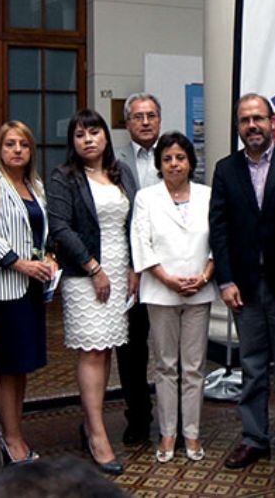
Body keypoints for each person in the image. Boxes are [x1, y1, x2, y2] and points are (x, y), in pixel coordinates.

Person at [209, 93, 275, 477]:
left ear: (273, 122)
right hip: (245, 288)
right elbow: (218, 230)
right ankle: (253, 438)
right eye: (244, 120)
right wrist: (225, 280)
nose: (252, 126)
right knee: (252, 368)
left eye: (258, 118)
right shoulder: (225, 169)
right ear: (237, 127)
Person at [48, 109, 138, 476]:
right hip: (86, 275)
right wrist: (93, 268)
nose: (88, 139)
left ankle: (91, 422)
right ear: (72, 141)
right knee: (92, 350)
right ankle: (98, 435)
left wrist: (132, 267)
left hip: (120, 270)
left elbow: (133, 222)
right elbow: (60, 228)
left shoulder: (122, 173)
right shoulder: (64, 177)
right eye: (80, 134)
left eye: (94, 132)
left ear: (105, 136)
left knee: (107, 352)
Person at [0, 120, 55, 467]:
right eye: (10, 144)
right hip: (5, 288)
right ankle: (11, 439)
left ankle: (13, 432)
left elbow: (40, 232)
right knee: (8, 366)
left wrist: (48, 256)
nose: (17, 150)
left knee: (22, 366)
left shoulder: (34, 185)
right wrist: (20, 264)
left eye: (23, 144)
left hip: (33, 287)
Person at [130, 131, 216, 463]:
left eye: (180, 157)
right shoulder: (146, 198)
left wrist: (206, 275)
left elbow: (218, 240)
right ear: (159, 164)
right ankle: (167, 433)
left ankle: (192, 434)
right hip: (160, 291)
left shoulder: (208, 195)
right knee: (166, 365)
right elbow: (141, 242)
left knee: (194, 367)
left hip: (200, 289)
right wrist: (167, 279)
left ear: (190, 162)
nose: (174, 164)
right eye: (167, 158)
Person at [112, 92, 160, 444]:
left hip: (170, 270)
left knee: (170, 350)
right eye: (138, 116)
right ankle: (139, 417)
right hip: (130, 272)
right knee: (131, 350)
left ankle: (174, 419)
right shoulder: (113, 162)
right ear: (127, 123)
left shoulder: (177, 154)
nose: (145, 122)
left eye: (151, 116)